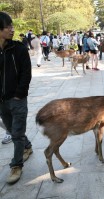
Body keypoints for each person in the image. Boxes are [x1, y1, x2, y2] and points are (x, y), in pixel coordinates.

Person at [0, 11, 32, 184]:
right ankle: (27, 146)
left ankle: (16, 165)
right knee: (12, 130)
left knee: (17, 133)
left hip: (17, 100)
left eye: (12, 26)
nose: (12, 30)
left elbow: (26, 73)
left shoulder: (19, 48)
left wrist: (20, 94)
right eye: (8, 27)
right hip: (2, 101)